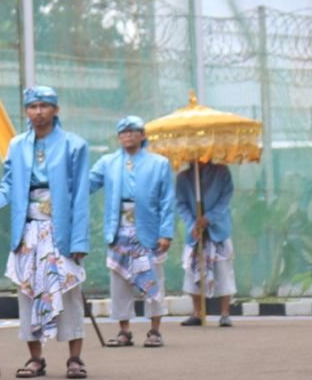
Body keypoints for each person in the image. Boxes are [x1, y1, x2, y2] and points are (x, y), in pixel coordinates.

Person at [0, 86, 90, 379]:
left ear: (56, 110)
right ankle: (35, 358)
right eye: (32, 106)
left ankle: (75, 358)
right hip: (28, 231)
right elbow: (8, 187)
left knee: (69, 292)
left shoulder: (74, 145)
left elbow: (80, 195)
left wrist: (79, 239)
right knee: (27, 290)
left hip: (61, 231)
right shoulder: (17, 146)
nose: (38, 112)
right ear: (26, 111)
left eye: (44, 106)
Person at [90, 116, 175, 347]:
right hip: (118, 229)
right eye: (123, 132)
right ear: (118, 137)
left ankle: (155, 330)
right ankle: (124, 330)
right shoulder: (107, 162)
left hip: (148, 229)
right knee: (119, 282)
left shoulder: (159, 163)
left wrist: (166, 233)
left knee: (153, 278)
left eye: (133, 131)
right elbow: (88, 184)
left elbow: (167, 200)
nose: (128, 135)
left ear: (142, 135)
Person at [176, 161, 236, 326]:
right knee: (192, 269)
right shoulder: (183, 177)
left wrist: (208, 218)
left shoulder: (222, 171)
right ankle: (198, 313)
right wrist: (193, 224)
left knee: (223, 270)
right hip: (195, 232)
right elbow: (181, 204)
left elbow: (225, 199)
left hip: (219, 229)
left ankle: (225, 313)